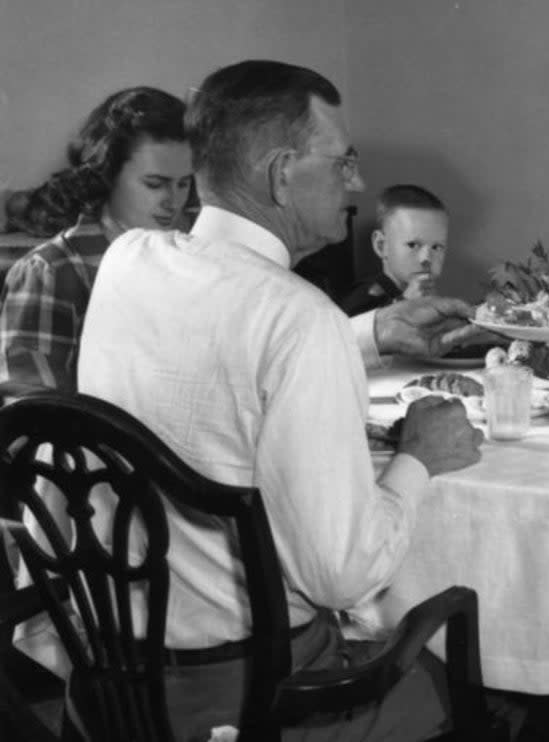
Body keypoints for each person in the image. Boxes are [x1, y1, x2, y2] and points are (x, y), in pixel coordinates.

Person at [77, 60, 484, 741]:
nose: (354, 180)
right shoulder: (299, 319)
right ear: (280, 174)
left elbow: (216, 358)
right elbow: (343, 577)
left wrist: (372, 333)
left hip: (112, 672)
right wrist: (417, 458)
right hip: (249, 698)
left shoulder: (129, 261)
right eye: (342, 160)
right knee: (459, 674)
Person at [0, 87, 193, 391]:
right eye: (155, 184)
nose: (173, 201)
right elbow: (33, 412)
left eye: (184, 184)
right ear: (108, 175)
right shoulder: (52, 271)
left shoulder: (196, 256)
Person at [341, 184, 448, 315]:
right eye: (413, 245)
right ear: (381, 246)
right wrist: (404, 301)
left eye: (436, 247)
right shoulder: (363, 299)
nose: (426, 258)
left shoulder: (430, 298)